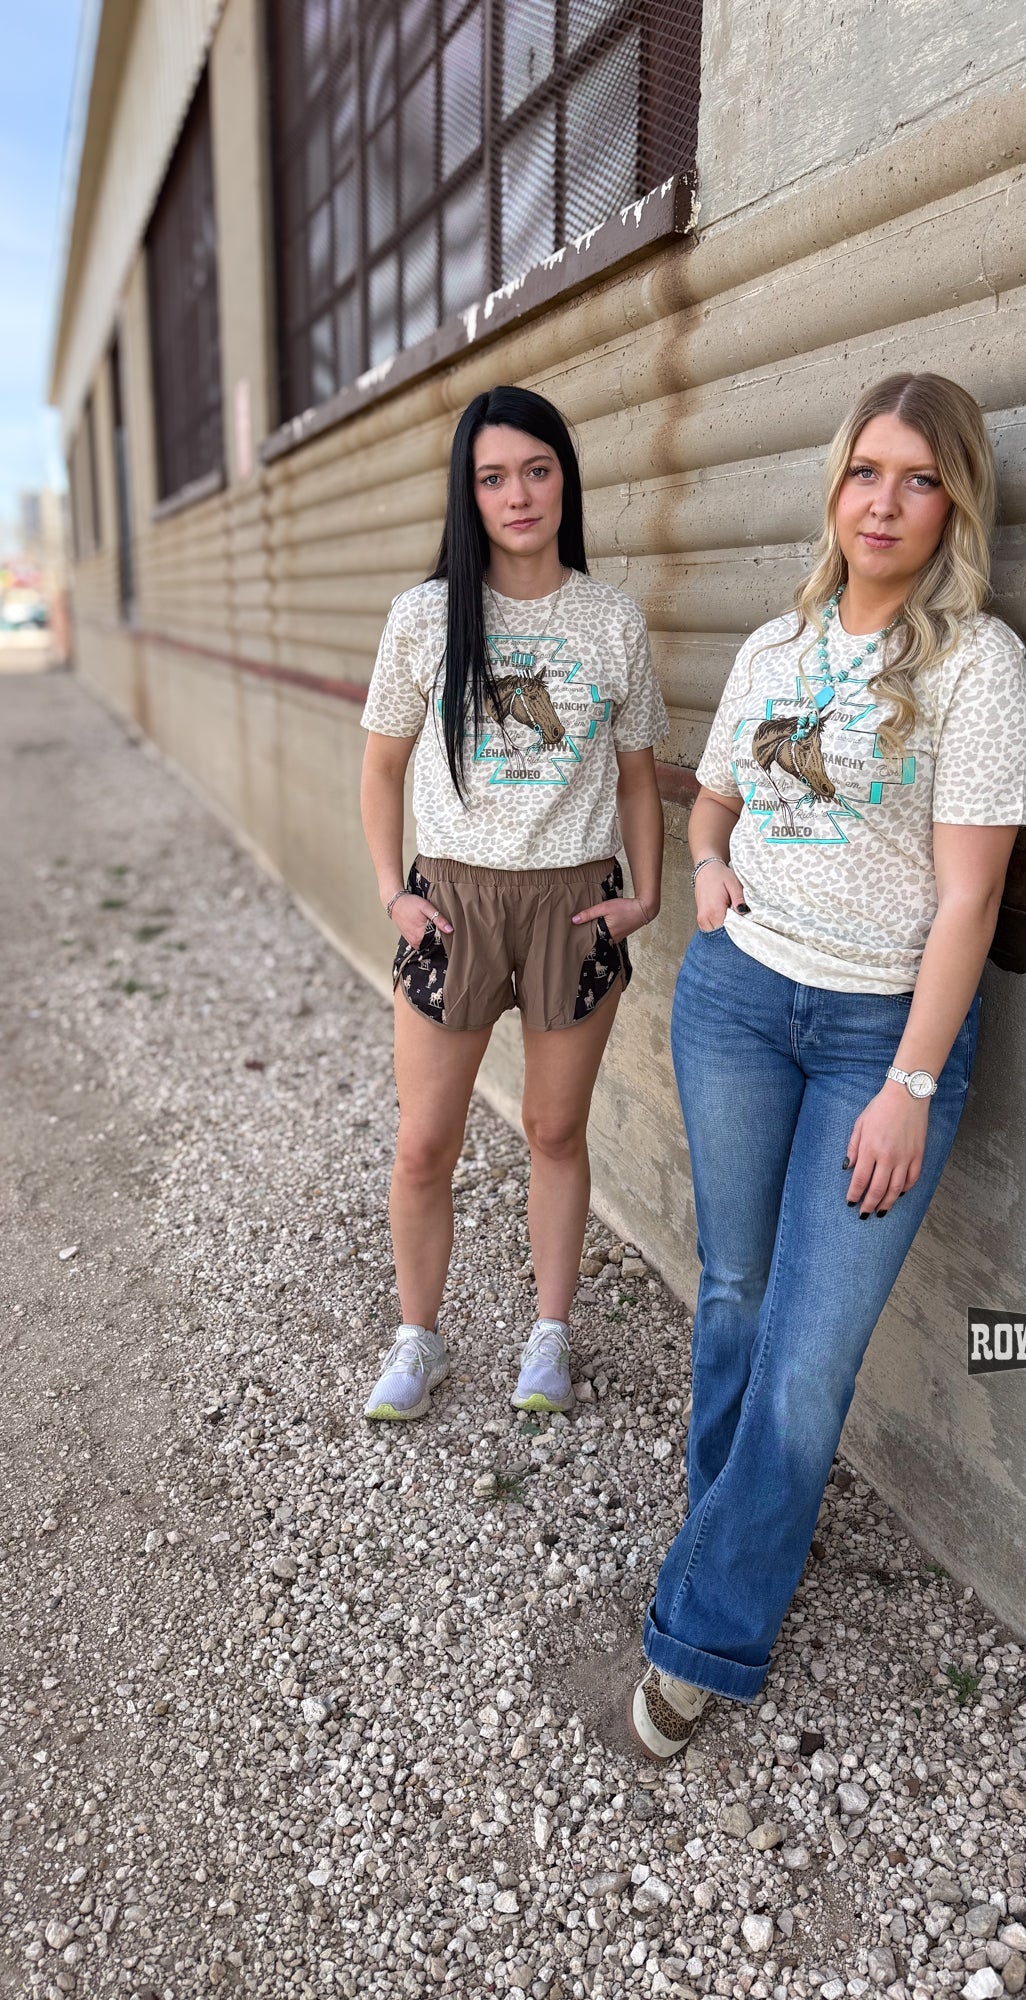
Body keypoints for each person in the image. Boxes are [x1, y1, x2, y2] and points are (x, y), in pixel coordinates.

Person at [627, 372, 1026, 1758]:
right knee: (732, 1294)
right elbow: (716, 797)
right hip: (737, 1002)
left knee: (807, 1358)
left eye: (920, 479)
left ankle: (701, 1629)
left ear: (955, 504)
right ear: (836, 485)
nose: (885, 502)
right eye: (867, 471)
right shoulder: (776, 644)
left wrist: (911, 1085)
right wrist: (703, 867)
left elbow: (971, 901)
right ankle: (730, 1543)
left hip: (879, 1031)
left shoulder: (977, 668)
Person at [359, 385, 666, 1422]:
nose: (518, 494)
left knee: (554, 1129)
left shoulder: (611, 619)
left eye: (537, 470)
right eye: (493, 477)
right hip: (452, 902)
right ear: (470, 491)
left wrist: (644, 894)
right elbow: (380, 768)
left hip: (572, 904)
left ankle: (549, 1334)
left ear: (564, 479)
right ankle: (418, 1338)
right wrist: (392, 891)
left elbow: (637, 776)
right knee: (423, 1141)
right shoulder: (424, 617)